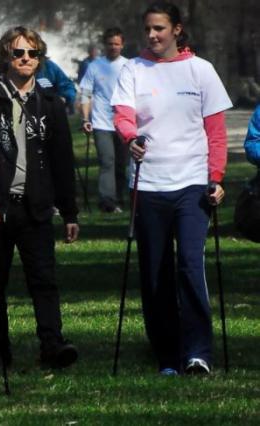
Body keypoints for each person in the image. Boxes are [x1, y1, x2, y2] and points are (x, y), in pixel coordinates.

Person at [111, 1, 232, 375]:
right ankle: (167, 354)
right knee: (155, 271)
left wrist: (217, 177)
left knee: (190, 267)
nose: (152, 35)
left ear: (177, 29)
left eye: (160, 28)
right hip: (148, 185)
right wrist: (130, 137)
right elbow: (123, 115)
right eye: (148, 28)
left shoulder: (201, 71)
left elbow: (216, 132)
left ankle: (198, 352)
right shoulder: (133, 69)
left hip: (192, 184)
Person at [0, 26, 80, 371]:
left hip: (36, 207)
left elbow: (62, 159)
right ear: (6, 58)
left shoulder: (50, 103)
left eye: (32, 53)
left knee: (44, 280)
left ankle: (52, 344)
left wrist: (70, 211)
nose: (26, 59)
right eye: (18, 53)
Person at [80, 27, 128, 213]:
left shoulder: (129, 65)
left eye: (116, 44)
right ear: (105, 46)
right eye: (110, 44)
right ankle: (107, 202)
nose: (113, 47)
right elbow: (86, 94)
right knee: (107, 161)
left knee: (121, 164)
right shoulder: (95, 66)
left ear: (122, 45)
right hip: (101, 123)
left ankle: (120, 199)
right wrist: (85, 118)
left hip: (123, 122)